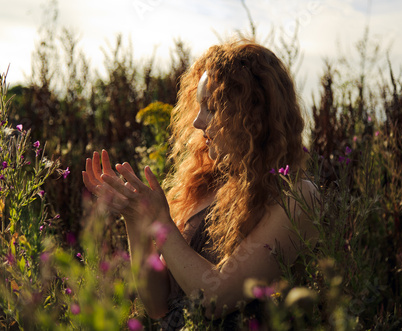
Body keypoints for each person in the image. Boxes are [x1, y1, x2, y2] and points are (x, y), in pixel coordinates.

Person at [82, 38, 319, 330]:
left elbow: (214, 299)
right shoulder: (204, 187)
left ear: (251, 114)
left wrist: (161, 221)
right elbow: (157, 304)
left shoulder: (296, 197)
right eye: (198, 106)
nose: (197, 121)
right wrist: (136, 218)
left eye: (212, 107)